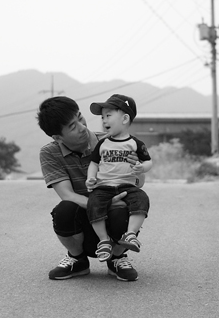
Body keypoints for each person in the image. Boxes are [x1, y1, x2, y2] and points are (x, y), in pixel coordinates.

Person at [37, 96, 143, 281]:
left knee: (129, 206)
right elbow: (67, 194)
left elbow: (137, 183)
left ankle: (117, 258)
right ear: (57, 137)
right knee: (64, 210)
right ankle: (78, 259)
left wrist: (137, 168)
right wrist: (104, 204)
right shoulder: (50, 153)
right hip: (84, 223)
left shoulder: (113, 142)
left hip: (114, 219)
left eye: (80, 117)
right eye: (73, 126)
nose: (82, 127)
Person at [85, 94, 152, 262]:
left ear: (125, 118)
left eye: (108, 115)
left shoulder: (135, 143)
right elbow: (94, 163)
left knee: (142, 199)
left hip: (127, 186)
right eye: (102, 117)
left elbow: (148, 161)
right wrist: (90, 178)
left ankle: (130, 234)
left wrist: (141, 167)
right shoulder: (102, 143)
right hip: (103, 187)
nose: (104, 120)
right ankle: (104, 241)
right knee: (93, 203)